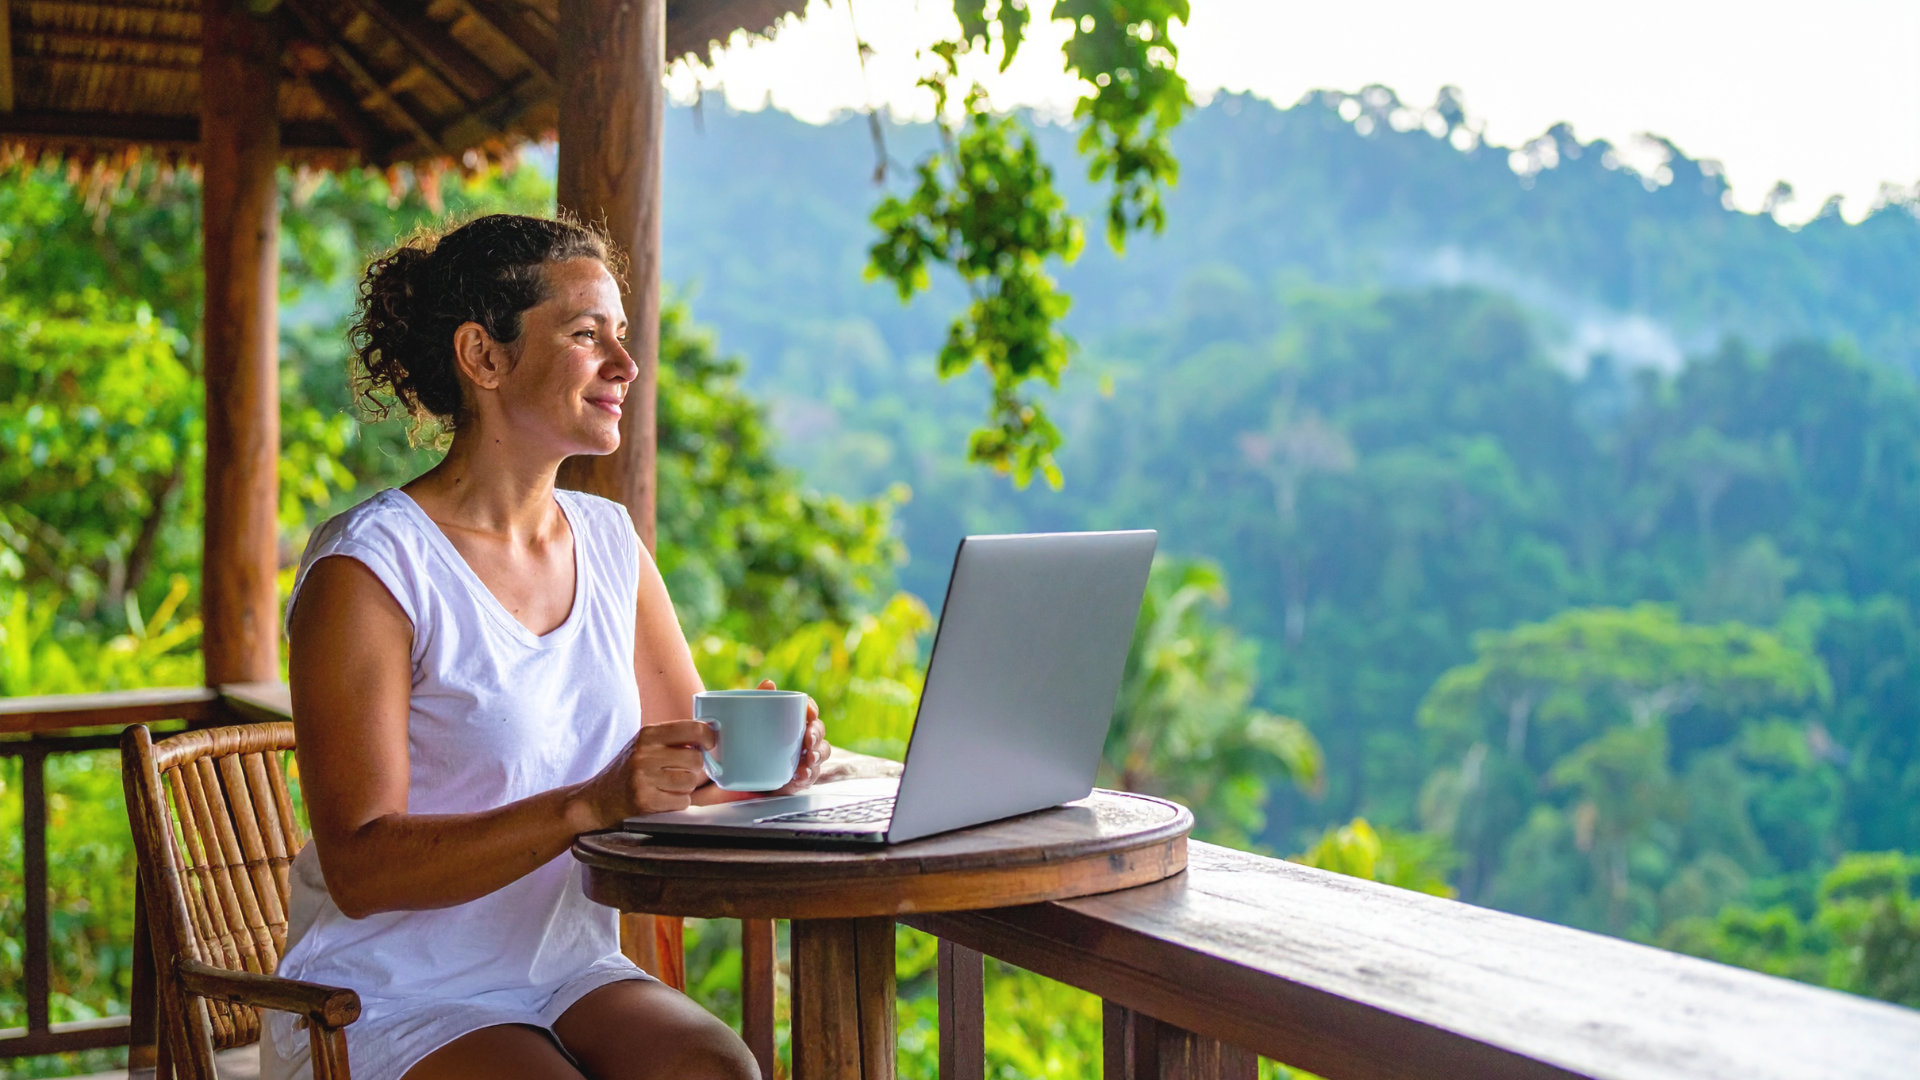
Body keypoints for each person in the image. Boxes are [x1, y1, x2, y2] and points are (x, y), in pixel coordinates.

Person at [271, 214, 829, 1080]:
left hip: (566, 970)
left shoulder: (609, 543)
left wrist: (763, 772)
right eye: (584, 335)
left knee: (718, 1071)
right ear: (484, 358)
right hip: (387, 993)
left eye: (621, 335)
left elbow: (685, 775)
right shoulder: (371, 568)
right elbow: (362, 866)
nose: (625, 364)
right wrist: (587, 804)